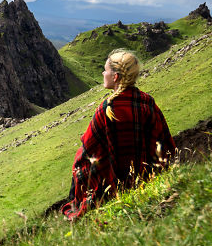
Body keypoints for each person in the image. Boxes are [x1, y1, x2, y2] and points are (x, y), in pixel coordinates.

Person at [61, 48, 175, 219]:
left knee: (80, 163)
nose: (103, 73)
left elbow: (88, 150)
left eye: (106, 70)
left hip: (113, 185)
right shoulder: (147, 102)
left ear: (115, 77)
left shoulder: (107, 109)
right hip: (146, 179)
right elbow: (164, 142)